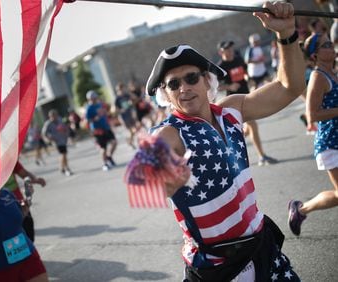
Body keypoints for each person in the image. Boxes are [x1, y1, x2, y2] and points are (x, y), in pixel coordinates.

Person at [145, 1, 305, 281]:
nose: (184, 87)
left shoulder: (232, 110)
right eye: (173, 84)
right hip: (219, 267)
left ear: (207, 81)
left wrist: (287, 34)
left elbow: (290, 87)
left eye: (191, 77)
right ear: (166, 96)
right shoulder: (170, 132)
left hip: (262, 247)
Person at [288, 32, 338, 237]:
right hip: (330, 143)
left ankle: (300, 210)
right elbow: (312, 114)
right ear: (315, 55)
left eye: (330, 42)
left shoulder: (333, 72)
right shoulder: (318, 76)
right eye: (326, 45)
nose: (332, 46)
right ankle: (300, 210)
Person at [217, 40, 278, 166]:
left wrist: (248, 79)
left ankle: (232, 150)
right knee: (253, 126)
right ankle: (262, 156)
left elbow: (246, 73)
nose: (229, 51)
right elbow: (216, 87)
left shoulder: (239, 60)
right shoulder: (221, 67)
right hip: (233, 103)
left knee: (247, 129)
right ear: (220, 52)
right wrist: (229, 86)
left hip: (246, 97)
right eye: (226, 49)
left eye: (231, 48)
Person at [0, 188, 48, 282]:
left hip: (27, 255)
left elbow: (16, 219)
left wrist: (24, 209)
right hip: (0, 266)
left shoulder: (6, 193)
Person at [3, 161, 46, 242]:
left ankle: (29, 250)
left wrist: (35, 180)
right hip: (3, 211)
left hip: (20, 204)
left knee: (29, 234)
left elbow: (24, 173)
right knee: (16, 242)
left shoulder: (9, 158)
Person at [85, 90, 117, 171]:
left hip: (106, 127)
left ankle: (109, 157)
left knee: (114, 142)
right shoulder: (89, 108)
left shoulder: (100, 104)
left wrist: (107, 116)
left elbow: (105, 112)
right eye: (92, 98)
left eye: (95, 97)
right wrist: (94, 119)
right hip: (98, 130)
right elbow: (87, 121)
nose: (94, 99)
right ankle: (105, 164)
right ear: (89, 99)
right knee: (103, 148)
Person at [42, 109, 73, 176]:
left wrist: (67, 135)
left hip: (63, 140)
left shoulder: (60, 120)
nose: (54, 117)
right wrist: (48, 139)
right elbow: (44, 133)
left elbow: (66, 128)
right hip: (56, 141)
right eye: (52, 116)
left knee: (63, 154)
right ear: (49, 116)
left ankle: (61, 168)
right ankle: (66, 168)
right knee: (63, 154)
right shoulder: (48, 123)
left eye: (55, 115)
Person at [114, 82, 138, 149]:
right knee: (131, 131)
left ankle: (129, 141)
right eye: (120, 90)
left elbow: (135, 98)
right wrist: (121, 110)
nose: (122, 91)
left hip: (130, 114)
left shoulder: (126, 95)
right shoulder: (117, 99)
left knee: (135, 130)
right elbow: (115, 110)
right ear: (118, 90)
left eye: (123, 89)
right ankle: (130, 141)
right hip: (123, 117)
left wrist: (131, 102)